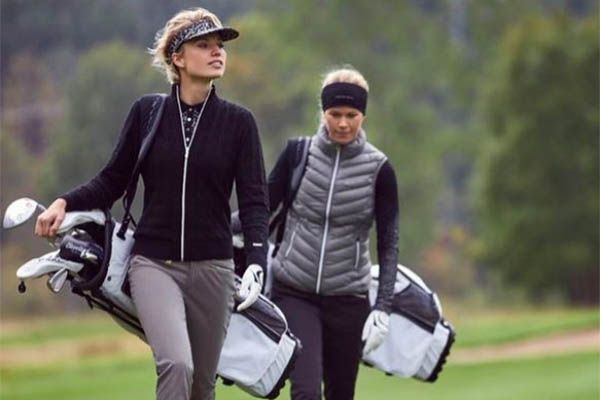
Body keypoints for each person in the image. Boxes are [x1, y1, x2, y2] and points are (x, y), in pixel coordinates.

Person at [34, 7, 269, 400]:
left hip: (216, 269)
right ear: (178, 58)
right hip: (153, 265)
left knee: (201, 385)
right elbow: (111, 180)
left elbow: (254, 202)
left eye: (220, 46)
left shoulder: (239, 123)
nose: (217, 52)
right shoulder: (148, 113)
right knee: (177, 364)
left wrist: (258, 261)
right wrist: (64, 201)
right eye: (204, 44)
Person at [267, 67, 399, 400]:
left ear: (363, 116)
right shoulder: (298, 154)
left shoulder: (380, 169)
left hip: (348, 298)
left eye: (351, 115)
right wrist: (216, 228)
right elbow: (261, 210)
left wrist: (382, 306)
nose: (342, 123)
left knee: (341, 394)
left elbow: (389, 242)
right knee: (306, 391)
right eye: (334, 114)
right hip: (294, 290)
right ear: (323, 112)